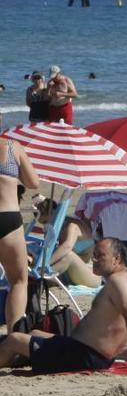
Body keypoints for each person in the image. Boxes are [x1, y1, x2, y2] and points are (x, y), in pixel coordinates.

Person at [0, 238, 127, 374]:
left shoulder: (117, 282)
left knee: (13, 340)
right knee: (35, 333)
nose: (93, 259)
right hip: (86, 352)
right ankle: (23, 358)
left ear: (116, 259)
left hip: (83, 357)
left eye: (100, 256)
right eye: (94, 254)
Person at [0, 137, 38, 331]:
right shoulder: (13, 147)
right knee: (18, 280)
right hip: (8, 218)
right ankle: (13, 338)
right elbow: (33, 182)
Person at [33, 198, 101, 287]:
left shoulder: (72, 226)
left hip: (90, 273)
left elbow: (67, 247)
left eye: (46, 221)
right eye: (42, 223)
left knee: (69, 256)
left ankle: (37, 277)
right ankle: (37, 276)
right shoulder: (56, 228)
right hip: (68, 273)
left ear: (55, 213)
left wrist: (45, 264)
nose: (45, 225)